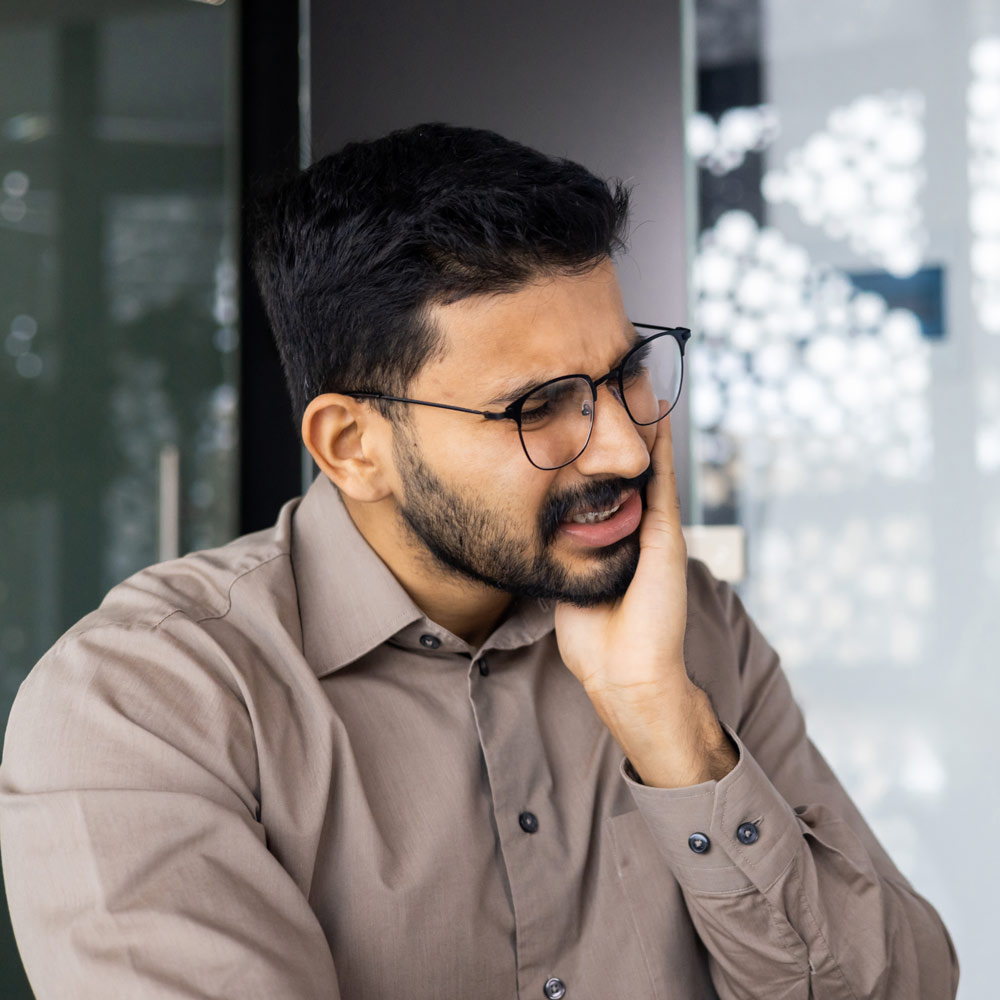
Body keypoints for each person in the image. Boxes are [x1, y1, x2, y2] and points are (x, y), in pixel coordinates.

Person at [0, 123, 957, 999]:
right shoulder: (142, 704)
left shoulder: (689, 627)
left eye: (624, 374)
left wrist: (664, 722)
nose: (625, 448)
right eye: (538, 406)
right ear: (350, 446)